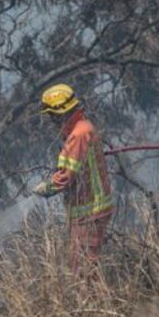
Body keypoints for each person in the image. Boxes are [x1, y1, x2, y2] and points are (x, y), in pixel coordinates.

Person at [32, 84, 115, 276]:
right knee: (84, 265)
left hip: (89, 211)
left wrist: (45, 188)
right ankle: (92, 301)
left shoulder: (78, 135)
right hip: (88, 210)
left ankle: (93, 304)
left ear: (60, 113)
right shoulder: (82, 129)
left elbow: (65, 178)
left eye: (52, 114)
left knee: (84, 270)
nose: (51, 120)